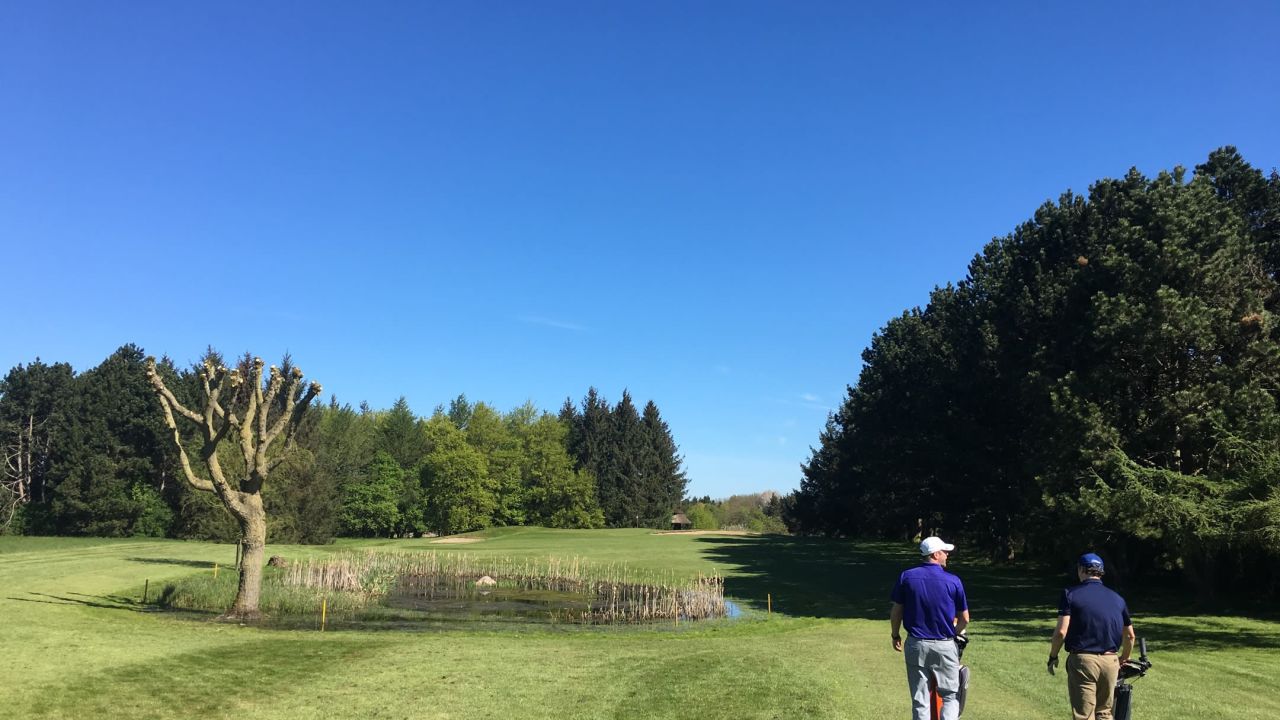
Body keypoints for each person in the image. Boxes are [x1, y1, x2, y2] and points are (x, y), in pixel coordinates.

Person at [1047, 552, 1136, 720]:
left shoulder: (1070, 594)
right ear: (1100, 572)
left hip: (1083, 661)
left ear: (1081, 570)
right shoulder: (1117, 598)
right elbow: (1130, 636)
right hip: (1110, 662)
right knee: (1105, 713)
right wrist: (1124, 657)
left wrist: (1053, 655)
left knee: (1085, 715)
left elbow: (1061, 632)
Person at [891, 536, 970, 720]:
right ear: (935, 554)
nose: (947, 555)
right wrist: (954, 634)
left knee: (920, 699)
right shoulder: (953, 581)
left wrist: (895, 635)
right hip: (945, 645)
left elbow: (896, 612)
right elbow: (965, 618)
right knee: (950, 696)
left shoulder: (907, 577)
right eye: (944, 552)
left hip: (916, 644)